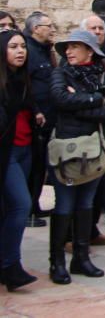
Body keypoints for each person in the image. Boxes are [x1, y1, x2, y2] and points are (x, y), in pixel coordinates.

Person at [48, 29, 105, 284]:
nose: (68, 51)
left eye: (75, 47)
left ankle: (81, 258)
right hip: (68, 149)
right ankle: (57, 261)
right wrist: (94, 100)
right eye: (67, 47)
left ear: (89, 50)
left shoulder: (104, 75)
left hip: (94, 147)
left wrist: (78, 102)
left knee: (86, 204)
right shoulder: (60, 73)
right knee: (65, 204)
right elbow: (59, 99)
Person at [0, 29, 40, 290]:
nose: (20, 51)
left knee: (10, 208)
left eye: (23, 46)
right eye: (13, 46)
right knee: (20, 206)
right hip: (8, 152)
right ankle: (9, 266)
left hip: (25, 149)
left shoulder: (22, 80)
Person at [24, 11, 55, 229]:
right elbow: (27, 84)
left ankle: (34, 205)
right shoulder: (28, 51)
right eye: (48, 26)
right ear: (36, 29)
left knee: (40, 165)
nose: (52, 29)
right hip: (36, 118)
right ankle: (27, 209)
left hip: (47, 116)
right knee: (33, 165)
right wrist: (35, 110)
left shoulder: (44, 51)